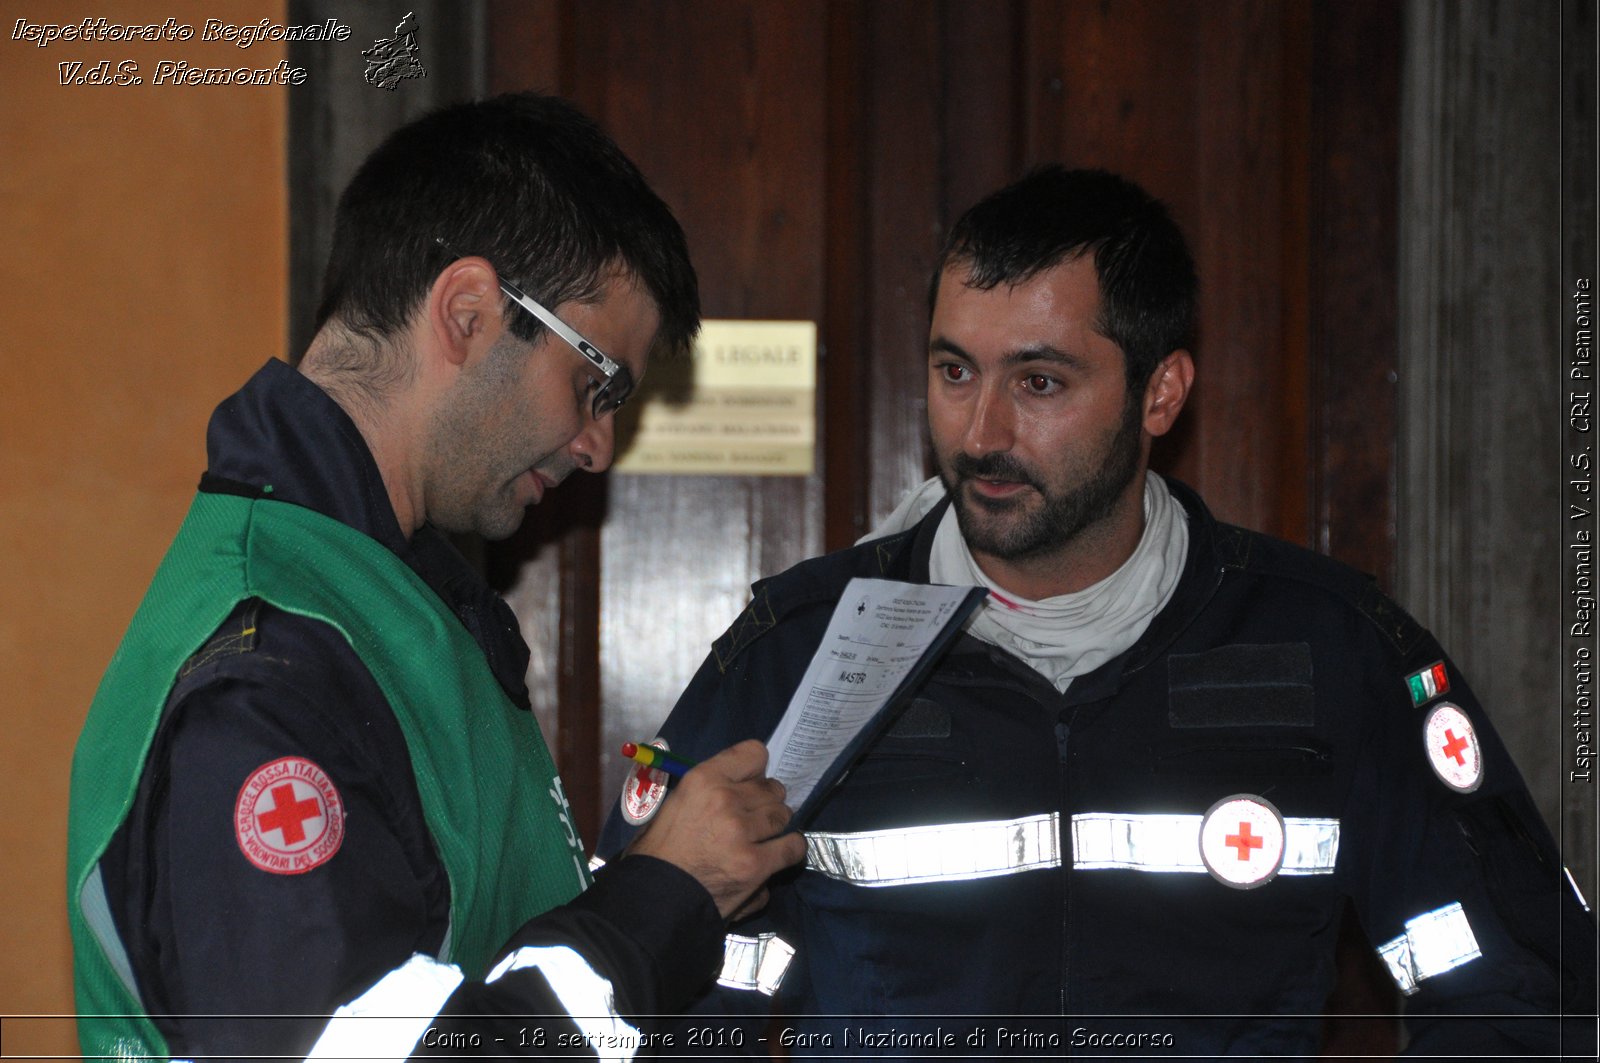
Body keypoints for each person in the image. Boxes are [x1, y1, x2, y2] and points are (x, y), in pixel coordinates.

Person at [597, 167, 1597, 1056]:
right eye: (954, 371)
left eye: (1039, 380)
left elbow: (1522, 995)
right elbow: (655, 986)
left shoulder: (1333, 651)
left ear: (1159, 394)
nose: (980, 431)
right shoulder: (794, 654)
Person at [67, 92, 806, 1061]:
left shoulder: (381, 606)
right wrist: (659, 901)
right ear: (467, 312)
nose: (595, 445)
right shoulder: (269, 664)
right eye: (596, 385)